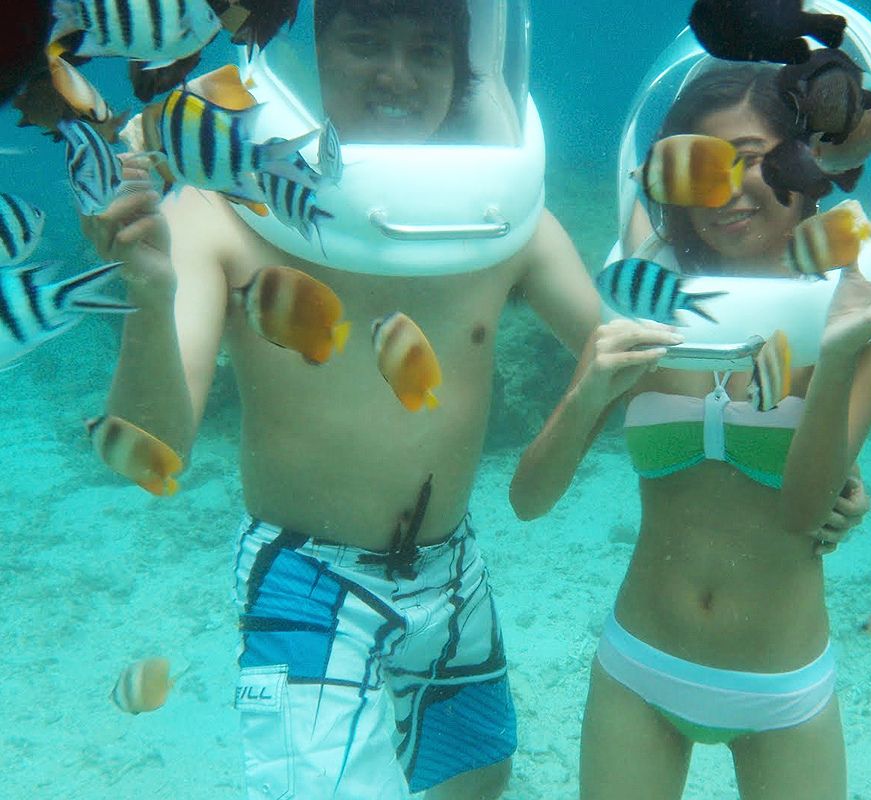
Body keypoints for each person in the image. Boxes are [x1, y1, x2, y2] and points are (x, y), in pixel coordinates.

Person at [82, 1, 599, 798]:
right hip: (307, 581)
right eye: (365, 42)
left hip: (452, 572)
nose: (398, 73)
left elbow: (633, 359)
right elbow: (157, 448)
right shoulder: (223, 211)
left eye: (428, 51)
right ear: (305, 57)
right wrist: (148, 301)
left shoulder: (505, 221)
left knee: (480, 777)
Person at [509, 61, 871, 800]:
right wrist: (586, 395)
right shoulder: (648, 297)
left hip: (781, 689)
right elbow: (528, 500)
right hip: (639, 666)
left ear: (806, 163)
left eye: (754, 162)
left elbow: (804, 512)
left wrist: (833, 357)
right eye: (699, 169)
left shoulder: (859, 312)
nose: (727, 192)